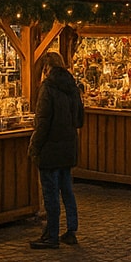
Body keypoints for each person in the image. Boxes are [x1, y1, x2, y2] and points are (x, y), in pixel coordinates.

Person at [28, 52, 84, 249]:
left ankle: (51, 235)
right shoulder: (73, 87)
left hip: (51, 148)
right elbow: (79, 119)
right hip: (68, 147)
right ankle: (71, 229)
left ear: (46, 68)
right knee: (67, 190)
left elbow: (42, 123)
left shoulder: (48, 88)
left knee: (50, 192)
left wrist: (34, 147)